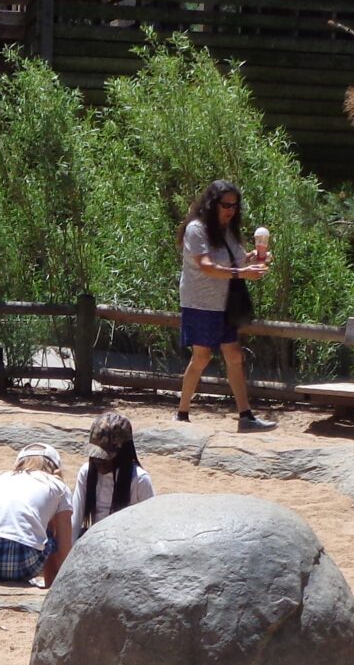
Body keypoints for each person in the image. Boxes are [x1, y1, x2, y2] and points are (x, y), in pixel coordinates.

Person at [174, 178, 275, 432]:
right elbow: (207, 266)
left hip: (224, 303)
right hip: (200, 303)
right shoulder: (196, 229)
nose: (231, 210)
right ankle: (182, 412)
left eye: (235, 205)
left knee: (234, 355)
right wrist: (242, 273)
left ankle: (246, 416)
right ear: (212, 203)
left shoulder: (228, 231)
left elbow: (237, 262)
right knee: (202, 356)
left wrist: (255, 258)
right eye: (226, 205)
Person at [0, 443, 77, 587]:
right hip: (20, 564)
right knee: (50, 529)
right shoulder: (57, 485)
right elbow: (64, 545)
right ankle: (52, 585)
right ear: (55, 468)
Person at [69, 411, 154, 539]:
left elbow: (150, 526)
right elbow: (76, 517)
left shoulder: (139, 481)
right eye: (94, 454)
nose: (98, 460)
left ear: (122, 454)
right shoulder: (86, 473)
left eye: (104, 456)